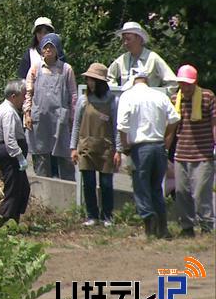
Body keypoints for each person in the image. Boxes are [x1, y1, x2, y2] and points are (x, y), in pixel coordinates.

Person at [117, 70, 180, 238]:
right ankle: (163, 228)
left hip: (140, 148)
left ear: (133, 80)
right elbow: (174, 119)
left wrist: (125, 147)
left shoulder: (128, 96)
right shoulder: (159, 96)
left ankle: (149, 224)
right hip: (159, 146)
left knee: (141, 188)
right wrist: (167, 138)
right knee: (156, 188)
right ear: (146, 79)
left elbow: (122, 126)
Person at [70, 63, 122, 227]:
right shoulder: (83, 100)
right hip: (86, 146)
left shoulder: (112, 101)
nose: (89, 82)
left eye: (92, 80)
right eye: (88, 79)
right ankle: (92, 215)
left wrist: (118, 150)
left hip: (106, 147)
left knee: (106, 184)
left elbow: (116, 126)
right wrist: (73, 147)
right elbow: (76, 125)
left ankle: (107, 216)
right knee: (89, 183)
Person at [23, 33, 77, 181]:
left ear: (57, 49)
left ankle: (69, 193)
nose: (48, 50)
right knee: (41, 155)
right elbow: (28, 93)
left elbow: (73, 95)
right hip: (39, 119)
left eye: (51, 47)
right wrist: (27, 114)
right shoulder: (35, 68)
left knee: (65, 156)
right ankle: (43, 192)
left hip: (60, 119)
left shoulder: (66, 69)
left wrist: (73, 117)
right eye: (45, 47)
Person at [170, 65, 216, 236]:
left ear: (195, 82)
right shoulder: (175, 99)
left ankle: (206, 226)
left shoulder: (207, 96)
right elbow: (172, 127)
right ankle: (187, 227)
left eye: (188, 84)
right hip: (181, 153)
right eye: (182, 83)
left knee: (200, 193)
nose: (185, 87)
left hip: (203, 154)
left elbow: (214, 123)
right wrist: (166, 149)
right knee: (182, 192)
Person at [0, 79, 30, 223]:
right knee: (14, 189)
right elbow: (9, 139)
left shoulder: (8, 109)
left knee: (22, 188)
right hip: (10, 154)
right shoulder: (8, 112)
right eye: (23, 96)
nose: (24, 99)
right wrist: (19, 156)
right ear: (14, 96)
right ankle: (5, 220)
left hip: (10, 152)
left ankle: (13, 219)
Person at [107, 21, 177, 95]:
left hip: (147, 103)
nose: (125, 43)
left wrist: (161, 96)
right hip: (126, 102)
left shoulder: (153, 58)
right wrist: (115, 93)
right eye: (123, 40)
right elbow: (108, 77)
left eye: (128, 39)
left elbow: (172, 82)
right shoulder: (122, 59)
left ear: (139, 38)